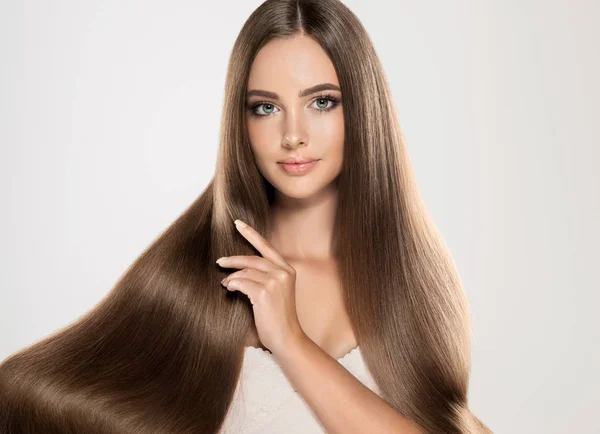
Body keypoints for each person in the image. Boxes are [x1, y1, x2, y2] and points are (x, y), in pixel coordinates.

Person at [0, 1, 493, 433]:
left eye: (322, 102)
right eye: (265, 108)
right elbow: (29, 389)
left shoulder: (414, 281)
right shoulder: (198, 272)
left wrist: (291, 343)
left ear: (363, 109)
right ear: (240, 121)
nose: (293, 135)